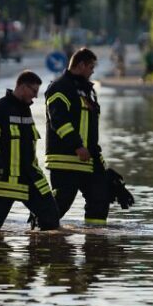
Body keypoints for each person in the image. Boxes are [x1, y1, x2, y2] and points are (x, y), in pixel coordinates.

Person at [45, 48, 133, 226]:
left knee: (100, 198)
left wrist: (101, 163)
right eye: (91, 66)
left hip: (88, 160)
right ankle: (40, 234)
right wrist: (77, 146)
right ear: (80, 65)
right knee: (61, 202)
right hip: (65, 159)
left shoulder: (88, 91)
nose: (93, 70)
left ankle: (95, 242)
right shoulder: (60, 87)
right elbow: (59, 122)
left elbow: (91, 133)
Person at [0, 70, 60, 231]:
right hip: (5, 179)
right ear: (22, 87)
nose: (35, 96)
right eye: (33, 91)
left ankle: (39, 252)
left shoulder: (25, 110)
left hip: (29, 177)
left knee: (51, 219)